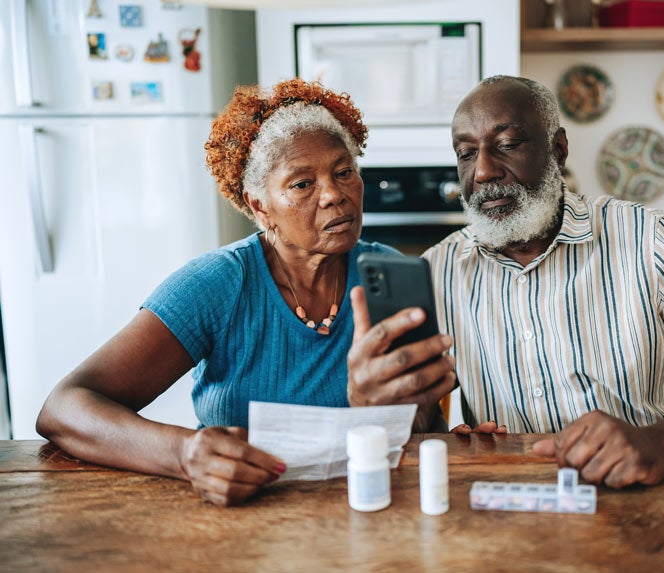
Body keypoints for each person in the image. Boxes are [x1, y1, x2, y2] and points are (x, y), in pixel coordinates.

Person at [347, 75, 664, 488]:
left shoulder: (646, 239)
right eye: (466, 154)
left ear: (559, 149)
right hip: (515, 500)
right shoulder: (440, 270)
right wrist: (399, 413)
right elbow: (420, 427)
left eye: (506, 144)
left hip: (653, 492)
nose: (483, 171)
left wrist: (659, 443)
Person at [36, 78, 453, 507]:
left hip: (369, 507)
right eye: (302, 184)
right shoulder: (217, 284)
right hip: (243, 516)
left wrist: (385, 411)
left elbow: (426, 430)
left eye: (344, 172)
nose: (334, 195)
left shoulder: (388, 276)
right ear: (259, 207)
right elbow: (65, 407)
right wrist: (183, 454)